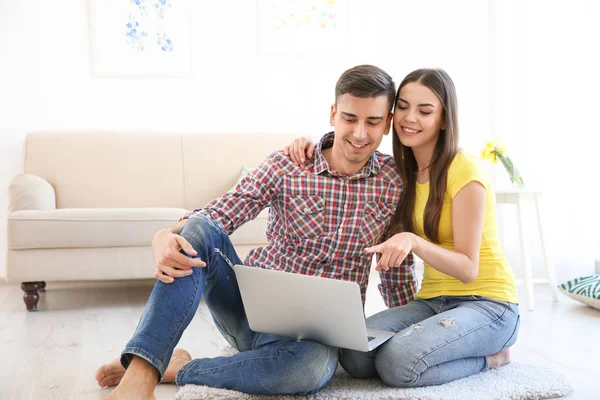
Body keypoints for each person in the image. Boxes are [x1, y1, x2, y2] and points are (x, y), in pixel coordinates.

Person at [95, 64, 418, 399]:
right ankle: (142, 373)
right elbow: (216, 216)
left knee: (312, 369)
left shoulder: (396, 184)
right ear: (333, 114)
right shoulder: (289, 164)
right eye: (350, 118)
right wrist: (162, 234)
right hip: (249, 314)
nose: (360, 133)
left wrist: (412, 335)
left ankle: (176, 366)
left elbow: (398, 274)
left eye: (373, 121)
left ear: (389, 122)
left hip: (317, 341)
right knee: (199, 231)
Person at [284, 68, 520, 387]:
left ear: (445, 119)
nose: (410, 118)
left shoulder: (466, 170)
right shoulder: (402, 173)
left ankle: (492, 358)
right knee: (353, 353)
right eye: (404, 107)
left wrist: (414, 242)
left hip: (487, 303)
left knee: (399, 364)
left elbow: (468, 269)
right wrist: (310, 145)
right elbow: (346, 148)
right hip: (431, 301)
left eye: (425, 111)